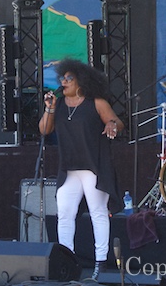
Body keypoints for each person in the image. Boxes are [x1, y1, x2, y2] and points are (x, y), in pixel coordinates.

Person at [39, 59, 123, 280]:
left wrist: (111, 124)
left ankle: (101, 262)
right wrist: (49, 108)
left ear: (81, 81)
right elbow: (44, 130)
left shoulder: (95, 103)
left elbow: (117, 122)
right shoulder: (57, 105)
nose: (64, 82)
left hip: (94, 166)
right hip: (69, 169)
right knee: (65, 213)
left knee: (98, 213)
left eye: (69, 78)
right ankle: (67, 260)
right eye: (62, 78)